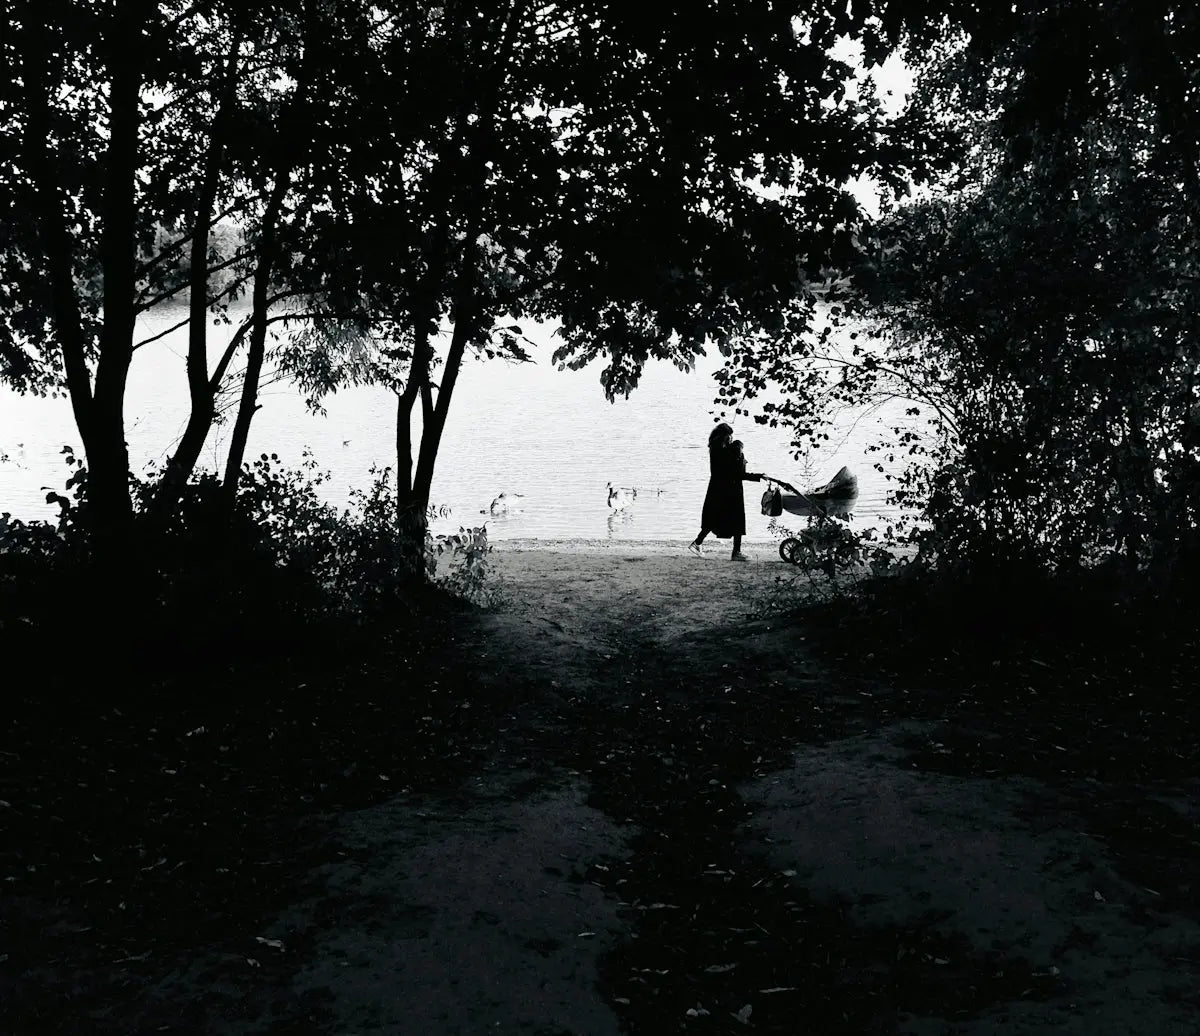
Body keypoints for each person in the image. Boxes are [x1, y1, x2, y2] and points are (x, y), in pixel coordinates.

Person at [688, 422, 762, 560]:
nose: (731, 438)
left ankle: (698, 542)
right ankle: (736, 552)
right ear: (724, 436)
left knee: (713, 518)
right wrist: (741, 458)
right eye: (729, 436)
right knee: (736, 520)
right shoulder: (726, 451)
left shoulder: (716, 450)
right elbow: (738, 473)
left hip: (717, 489)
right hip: (730, 491)